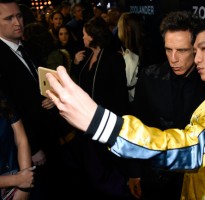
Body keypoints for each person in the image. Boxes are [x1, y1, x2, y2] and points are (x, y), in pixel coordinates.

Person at [46, 18, 205, 199]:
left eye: (201, 49)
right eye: (168, 49)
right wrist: (135, 173)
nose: (193, 57)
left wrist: (102, 124)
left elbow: (197, 148)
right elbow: (141, 118)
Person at [127, 11, 205, 200]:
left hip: (197, 181)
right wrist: (134, 172)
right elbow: (137, 126)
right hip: (155, 178)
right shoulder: (149, 77)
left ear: (196, 49)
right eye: (168, 49)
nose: (173, 58)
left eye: (181, 50)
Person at [0, 1, 68, 199]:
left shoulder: (28, 46)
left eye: (19, 16)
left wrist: (52, 96)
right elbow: (11, 109)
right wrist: (33, 148)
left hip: (49, 131)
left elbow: (41, 82)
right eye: (9, 18)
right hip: (27, 146)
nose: (17, 22)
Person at [70, 16, 131, 200]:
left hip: (104, 123)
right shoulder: (86, 56)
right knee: (91, 168)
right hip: (86, 124)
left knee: (105, 170)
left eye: (84, 34)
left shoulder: (113, 59)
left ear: (93, 36)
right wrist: (75, 64)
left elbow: (120, 97)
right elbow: (80, 85)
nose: (82, 38)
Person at [0, 90, 35, 200]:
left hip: (21, 173)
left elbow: (21, 140)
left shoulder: (2, 97)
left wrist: (25, 188)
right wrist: (18, 180)